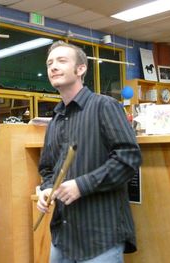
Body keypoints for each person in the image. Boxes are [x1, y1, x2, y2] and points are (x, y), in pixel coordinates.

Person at [37, 41, 142, 263]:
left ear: (81, 69)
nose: (53, 67)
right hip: (63, 237)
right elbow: (47, 168)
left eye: (62, 61)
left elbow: (129, 158)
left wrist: (81, 185)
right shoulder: (54, 120)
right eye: (49, 63)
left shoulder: (105, 106)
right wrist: (47, 190)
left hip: (100, 237)